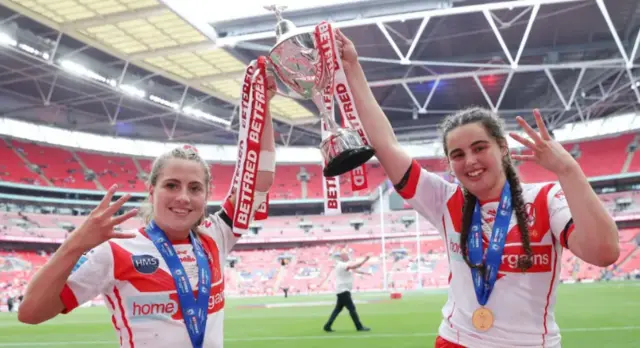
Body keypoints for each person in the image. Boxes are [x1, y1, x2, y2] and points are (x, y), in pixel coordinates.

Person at [334, 29, 620, 347]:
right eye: (457, 154)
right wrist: (353, 69)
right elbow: (385, 144)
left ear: (502, 149)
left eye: (479, 147)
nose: (469, 161)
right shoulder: (443, 199)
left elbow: (604, 252)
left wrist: (568, 170)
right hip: (455, 340)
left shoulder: (546, 198)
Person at [17, 96, 276, 346]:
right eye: (172, 185)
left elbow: (260, 181)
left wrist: (262, 106)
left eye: (195, 188)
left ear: (207, 196)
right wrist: (76, 243)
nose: (183, 197)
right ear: (152, 191)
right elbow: (30, 313)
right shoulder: (116, 251)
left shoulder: (216, 235)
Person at [323, 250, 372, 332]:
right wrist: (365, 259)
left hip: (342, 291)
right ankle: (359, 326)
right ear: (342, 257)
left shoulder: (343, 265)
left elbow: (354, 270)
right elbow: (356, 266)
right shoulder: (342, 265)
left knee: (337, 309)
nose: (348, 256)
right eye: (346, 255)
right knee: (352, 308)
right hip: (343, 291)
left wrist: (365, 273)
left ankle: (327, 326)